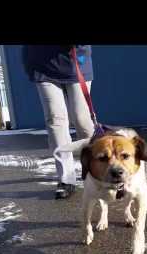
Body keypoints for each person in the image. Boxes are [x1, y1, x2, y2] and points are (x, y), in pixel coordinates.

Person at [22, 45, 96, 199]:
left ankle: (94, 171)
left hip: (76, 60)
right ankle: (66, 179)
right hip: (42, 64)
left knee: (81, 119)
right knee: (55, 119)